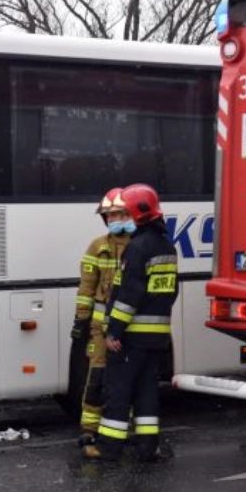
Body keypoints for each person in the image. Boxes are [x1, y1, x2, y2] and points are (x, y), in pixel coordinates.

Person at [84, 184, 178, 462]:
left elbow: (128, 296)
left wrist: (114, 330)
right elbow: (169, 293)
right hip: (157, 336)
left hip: (132, 336)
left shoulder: (137, 248)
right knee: (147, 392)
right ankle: (147, 447)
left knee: (119, 391)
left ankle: (108, 448)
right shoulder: (166, 246)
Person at [71, 188, 131, 446]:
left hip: (130, 327)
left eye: (119, 214)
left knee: (127, 378)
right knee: (96, 377)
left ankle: (124, 426)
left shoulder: (139, 246)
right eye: (110, 216)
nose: (114, 220)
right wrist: (81, 321)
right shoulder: (97, 247)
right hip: (100, 327)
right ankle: (89, 428)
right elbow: (86, 288)